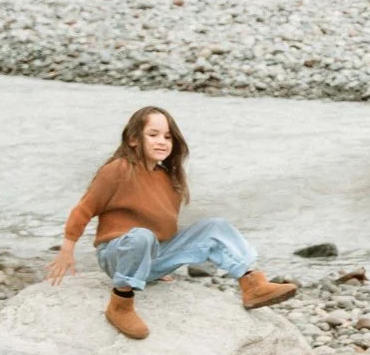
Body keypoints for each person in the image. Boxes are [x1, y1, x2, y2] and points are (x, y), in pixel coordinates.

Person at [44, 105, 298, 341]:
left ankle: (252, 283)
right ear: (134, 139)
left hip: (150, 252)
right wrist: (67, 249)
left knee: (214, 226)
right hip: (117, 254)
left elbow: (164, 229)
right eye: (153, 134)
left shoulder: (169, 178)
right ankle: (120, 304)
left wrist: (162, 265)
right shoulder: (117, 169)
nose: (162, 141)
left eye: (167, 137)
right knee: (141, 237)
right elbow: (84, 209)